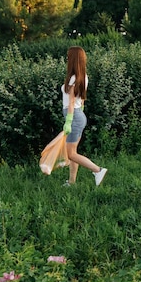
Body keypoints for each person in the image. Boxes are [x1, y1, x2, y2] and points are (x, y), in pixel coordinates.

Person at [61, 46, 107, 187]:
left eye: (69, 56)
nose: (67, 58)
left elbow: (71, 102)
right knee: (73, 152)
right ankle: (72, 181)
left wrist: (69, 121)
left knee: (71, 154)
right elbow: (82, 100)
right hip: (78, 116)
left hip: (74, 117)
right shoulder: (83, 76)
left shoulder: (74, 78)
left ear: (73, 59)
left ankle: (97, 170)